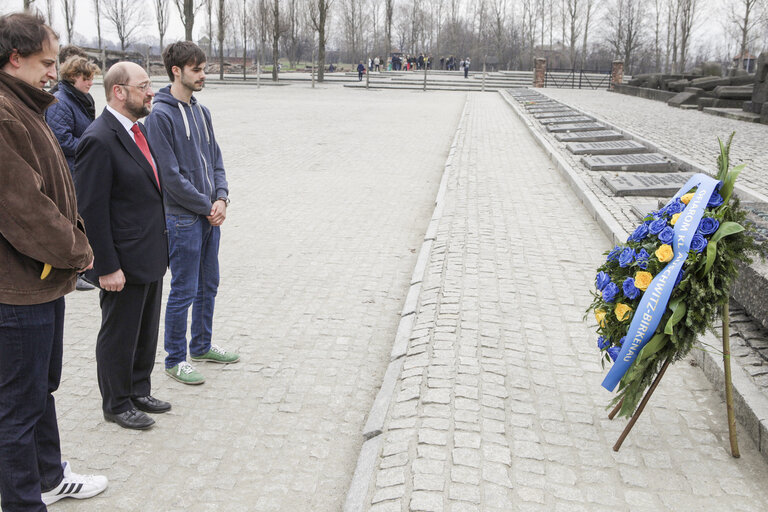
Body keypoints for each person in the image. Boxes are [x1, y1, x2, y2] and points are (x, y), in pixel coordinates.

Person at [0, 12, 108, 510]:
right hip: (17, 289)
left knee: (41, 389)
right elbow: (24, 209)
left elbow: (55, 189)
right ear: (14, 58)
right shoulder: (4, 113)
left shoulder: (26, 105)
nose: (53, 72)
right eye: (46, 62)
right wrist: (81, 251)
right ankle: (24, 502)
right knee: (16, 409)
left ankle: (49, 476)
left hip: (41, 281)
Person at [75, 62, 171, 430]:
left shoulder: (138, 131)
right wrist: (105, 266)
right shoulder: (98, 139)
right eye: (144, 85)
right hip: (121, 262)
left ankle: (137, 388)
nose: (151, 92)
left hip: (149, 252)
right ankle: (116, 403)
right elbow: (91, 211)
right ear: (119, 91)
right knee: (120, 332)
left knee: (145, 329)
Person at [145, 41, 239, 386]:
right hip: (182, 218)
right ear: (176, 71)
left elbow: (216, 160)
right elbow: (169, 177)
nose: (203, 75)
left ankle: (201, 345)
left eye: (204, 69)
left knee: (208, 284)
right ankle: (175, 359)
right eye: (197, 69)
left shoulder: (202, 111)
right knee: (183, 289)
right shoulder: (160, 115)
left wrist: (223, 198)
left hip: (209, 216)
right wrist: (206, 205)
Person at [46, 56, 101, 291]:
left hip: (81, 167)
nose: (90, 83)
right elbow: (62, 139)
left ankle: (85, 266)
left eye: (91, 78)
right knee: (73, 220)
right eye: (86, 78)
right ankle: (75, 271)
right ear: (72, 77)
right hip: (69, 170)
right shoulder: (61, 101)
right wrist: (93, 144)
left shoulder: (81, 99)